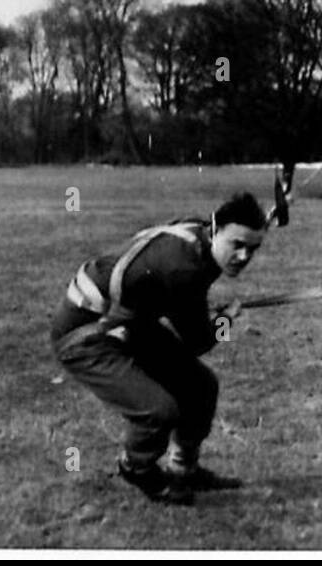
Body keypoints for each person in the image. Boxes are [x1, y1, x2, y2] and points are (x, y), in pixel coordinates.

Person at [50, 191, 268, 505]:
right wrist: (226, 319)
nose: (245, 257)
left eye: (253, 249)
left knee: (201, 386)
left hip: (126, 322)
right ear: (216, 228)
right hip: (84, 335)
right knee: (157, 410)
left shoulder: (199, 234)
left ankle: (184, 469)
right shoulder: (183, 268)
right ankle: (136, 467)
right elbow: (198, 341)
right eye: (238, 245)